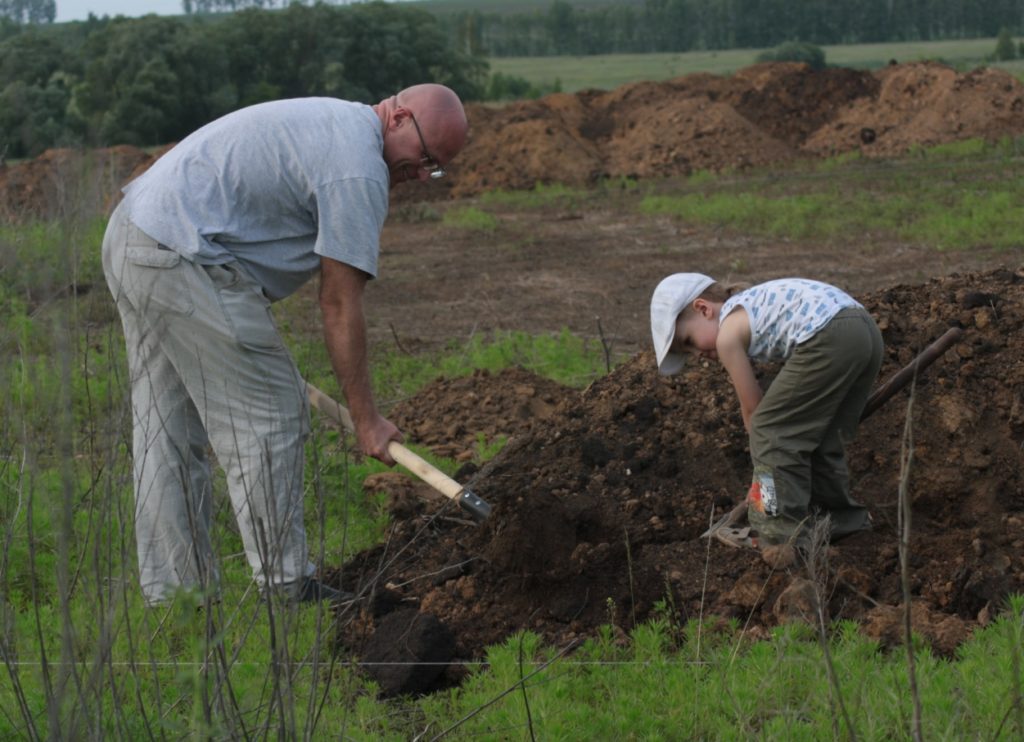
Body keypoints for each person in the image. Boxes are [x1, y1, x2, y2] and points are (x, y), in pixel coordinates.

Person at [101, 84, 469, 607]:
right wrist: (367, 420)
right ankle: (287, 587)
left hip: (136, 234)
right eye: (425, 158)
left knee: (168, 426)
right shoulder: (358, 168)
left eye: (436, 169)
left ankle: (175, 598)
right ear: (399, 118)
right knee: (270, 413)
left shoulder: (334, 123)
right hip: (182, 254)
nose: (421, 175)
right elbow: (340, 304)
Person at [650, 273, 883, 558]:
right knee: (822, 438)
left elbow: (754, 411)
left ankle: (775, 530)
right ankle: (841, 521)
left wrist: (763, 469)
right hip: (863, 330)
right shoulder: (750, 306)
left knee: (769, 432)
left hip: (829, 335)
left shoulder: (726, 336)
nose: (696, 353)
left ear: (703, 308)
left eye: (689, 341)